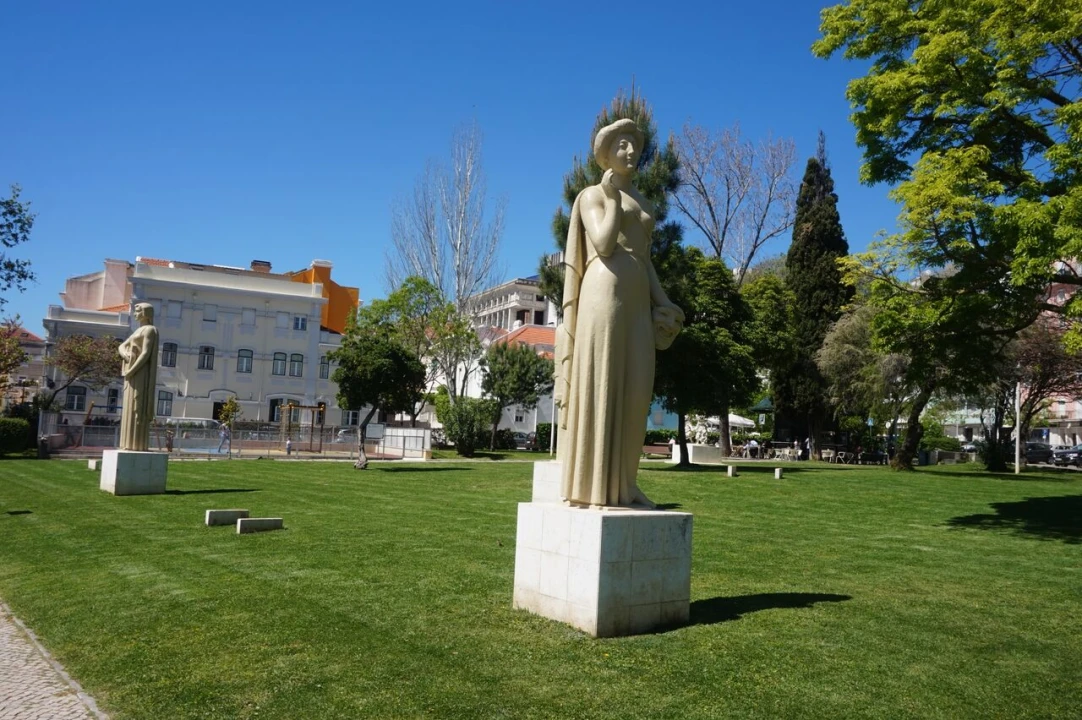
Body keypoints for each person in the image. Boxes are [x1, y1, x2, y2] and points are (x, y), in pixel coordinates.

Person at [554, 118, 684, 508]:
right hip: (603, 293)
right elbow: (606, 243)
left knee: (636, 392)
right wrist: (611, 198)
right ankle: (593, 488)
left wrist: (663, 302)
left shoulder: (644, 202)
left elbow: (644, 262)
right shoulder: (591, 196)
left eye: (635, 146)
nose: (631, 152)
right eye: (623, 145)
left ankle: (626, 483)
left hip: (636, 302)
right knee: (603, 386)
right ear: (607, 153)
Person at [118, 303, 159, 451]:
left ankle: (137, 445)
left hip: (141, 374)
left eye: (137, 312)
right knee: (129, 405)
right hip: (132, 375)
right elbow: (121, 346)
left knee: (138, 405)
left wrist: (131, 371)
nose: (135, 314)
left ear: (145, 313)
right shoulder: (137, 331)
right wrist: (126, 354)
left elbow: (146, 354)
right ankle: (127, 444)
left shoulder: (150, 330)